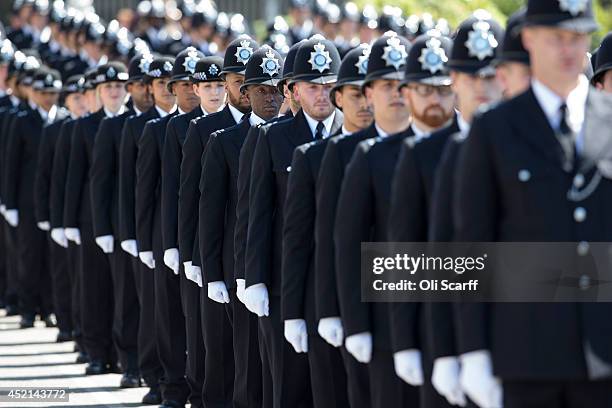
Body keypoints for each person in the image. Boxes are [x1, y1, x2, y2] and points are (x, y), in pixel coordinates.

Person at [454, 1, 612, 407]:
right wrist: (473, 351)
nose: (568, 49)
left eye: (577, 37)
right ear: (528, 39)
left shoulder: (609, 120)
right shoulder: (494, 129)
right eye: (555, 37)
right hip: (528, 353)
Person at [244, 34, 343, 408]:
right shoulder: (271, 138)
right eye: (312, 86)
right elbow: (257, 212)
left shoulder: (352, 137)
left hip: (338, 280)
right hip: (285, 279)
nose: (322, 95)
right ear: (292, 91)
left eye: (329, 85)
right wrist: (254, 278)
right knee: (289, 383)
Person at [281, 44, 374, 408]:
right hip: (328, 297)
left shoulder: (407, 151)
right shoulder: (315, 157)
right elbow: (299, 239)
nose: (366, 102)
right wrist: (294, 312)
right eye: (357, 92)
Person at [333, 31, 417, 408]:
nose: (397, 93)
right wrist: (350, 318)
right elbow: (343, 243)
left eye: (403, 84)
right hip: (381, 305)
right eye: (386, 85)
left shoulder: (451, 146)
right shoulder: (358, 155)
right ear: (368, 93)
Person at [199, 45, 284, 408]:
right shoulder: (225, 141)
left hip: (284, 267)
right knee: (247, 361)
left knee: (284, 367)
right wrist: (212, 271)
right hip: (242, 265)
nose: (271, 97)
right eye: (261, 90)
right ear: (245, 93)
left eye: (276, 88)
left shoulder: (292, 137)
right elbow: (211, 210)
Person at [179, 35, 256, 407]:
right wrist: (199, 261)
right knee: (218, 347)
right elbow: (196, 201)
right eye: (235, 80)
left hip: (254, 253)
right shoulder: (206, 129)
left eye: (247, 79)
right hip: (220, 251)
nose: (242, 87)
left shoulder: (273, 123)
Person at [386, 31, 458, 408]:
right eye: (425, 89)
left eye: (444, 89)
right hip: (416, 314)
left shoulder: (485, 142)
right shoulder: (388, 154)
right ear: (407, 92)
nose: (435, 99)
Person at [313, 44, 374, 408]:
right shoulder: (327, 154)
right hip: (349, 288)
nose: (367, 102)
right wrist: (327, 308)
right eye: (357, 92)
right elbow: (323, 237)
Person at [90, 53, 154, 389]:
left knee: (154, 301)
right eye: (139, 84)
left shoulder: (162, 121)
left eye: (149, 84)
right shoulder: (116, 126)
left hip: (154, 227)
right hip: (123, 226)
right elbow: (103, 181)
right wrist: (104, 228)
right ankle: (130, 363)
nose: (145, 90)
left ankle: (152, 361)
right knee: (127, 297)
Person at [63, 62, 128, 375]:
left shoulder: (134, 121)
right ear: (99, 92)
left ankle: (124, 354)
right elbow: (76, 178)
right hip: (93, 220)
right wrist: (69, 223)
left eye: (119, 87)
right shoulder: (86, 126)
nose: (114, 92)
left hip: (126, 220)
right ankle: (96, 351)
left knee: (125, 292)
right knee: (95, 289)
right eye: (108, 88)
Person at [119, 54, 171, 406]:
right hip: (153, 230)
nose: (167, 91)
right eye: (161, 85)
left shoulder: (196, 123)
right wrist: (133, 234)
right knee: (154, 309)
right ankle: (153, 374)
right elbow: (132, 187)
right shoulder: (143, 127)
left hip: (185, 232)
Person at [159, 47, 207, 408]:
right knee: (174, 317)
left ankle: (198, 387)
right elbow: (168, 191)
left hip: (204, 238)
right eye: (186, 84)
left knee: (202, 323)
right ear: (175, 87)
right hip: (174, 235)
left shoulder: (221, 125)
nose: (193, 90)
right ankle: (173, 387)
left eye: (199, 83)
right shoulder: (169, 127)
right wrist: (169, 243)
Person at [4, 66, 61, 328]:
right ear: (32, 93)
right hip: (27, 201)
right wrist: (9, 202)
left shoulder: (62, 118)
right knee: (29, 255)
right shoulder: (22, 119)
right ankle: (28, 308)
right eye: (42, 91)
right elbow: (10, 163)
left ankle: (49, 307)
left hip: (55, 198)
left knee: (53, 257)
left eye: (52, 92)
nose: (47, 97)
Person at [50, 69, 99, 365]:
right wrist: (65, 221)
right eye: (79, 97)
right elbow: (66, 179)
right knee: (87, 283)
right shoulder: (74, 128)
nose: (83, 102)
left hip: (112, 220)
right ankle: (87, 340)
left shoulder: (114, 124)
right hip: (84, 217)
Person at [34, 74, 87, 342]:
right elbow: (50, 177)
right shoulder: (58, 129)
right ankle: (66, 324)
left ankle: (79, 327)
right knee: (64, 273)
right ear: (67, 101)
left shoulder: (93, 126)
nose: (80, 102)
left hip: (85, 215)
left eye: (83, 96)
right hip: (63, 212)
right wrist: (50, 218)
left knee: (83, 278)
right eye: (75, 98)